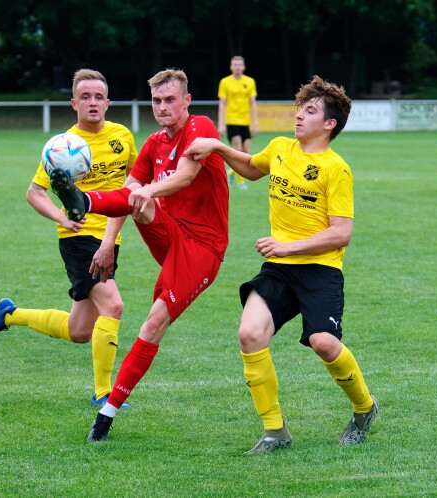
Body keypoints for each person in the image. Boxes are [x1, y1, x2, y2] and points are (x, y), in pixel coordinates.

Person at [184, 75, 378, 454]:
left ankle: (364, 408)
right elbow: (252, 169)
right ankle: (275, 431)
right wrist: (218, 147)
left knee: (324, 343)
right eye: (299, 109)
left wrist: (289, 247)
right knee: (249, 333)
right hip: (280, 267)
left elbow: (341, 233)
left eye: (310, 111)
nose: (299, 117)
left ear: (329, 124)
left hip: (321, 270)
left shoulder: (336, 168)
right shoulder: (279, 148)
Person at [47, 68, 229, 442]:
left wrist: (147, 189)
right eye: (157, 101)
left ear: (186, 101)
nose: (162, 108)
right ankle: (83, 199)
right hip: (170, 234)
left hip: (203, 248)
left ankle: (107, 412)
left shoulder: (202, 127)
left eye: (169, 100)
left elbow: (185, 176)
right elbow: (128, 191)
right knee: (134, 199)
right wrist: (103, 226)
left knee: (152, 324)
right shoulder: (153, 143)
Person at [0, 69, 137, 407]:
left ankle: (9, 314)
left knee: (80, 330)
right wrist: (61, 217)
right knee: (114, 305)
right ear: (73, 103)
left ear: (108, 102)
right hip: (79, 239)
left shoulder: (122, 136)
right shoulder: (62, 146)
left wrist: (111, 239)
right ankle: (103, 393)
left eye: (98, 97)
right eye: (85, 97)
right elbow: (34, 192)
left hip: (110, 237)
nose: (92, 103)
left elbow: (131, 186)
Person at [218, 55, 258, 190]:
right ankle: (241, 182)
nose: (237, 67)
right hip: (231, 120)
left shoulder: (250, 81)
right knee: (238, 149)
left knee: (247, 153)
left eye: (240, 64)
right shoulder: (225, 82)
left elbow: (253, 103)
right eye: (235, 64)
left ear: (244, 67)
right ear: (231, 67)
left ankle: (231, 172)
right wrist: (222, 124)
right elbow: (222, 104)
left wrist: (255, 123)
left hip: (245, 121)